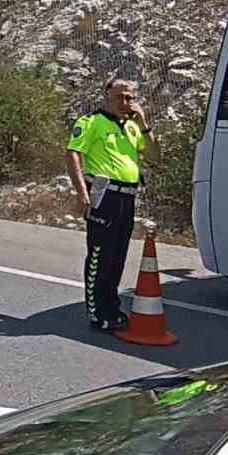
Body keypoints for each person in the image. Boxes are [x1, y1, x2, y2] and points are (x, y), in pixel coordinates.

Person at [66, 78, 155, 331]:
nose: (124, 102)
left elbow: (154, 155)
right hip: (104, 193)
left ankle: (112, 307)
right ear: (107, 97)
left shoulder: (132, 127)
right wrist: (82, 194)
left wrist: (144, 125)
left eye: (129, 98)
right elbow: (73, 153)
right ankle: (97, 312)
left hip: (127, 196)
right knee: (99, 254)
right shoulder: (91, 122)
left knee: (118, 255)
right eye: (119, 97)